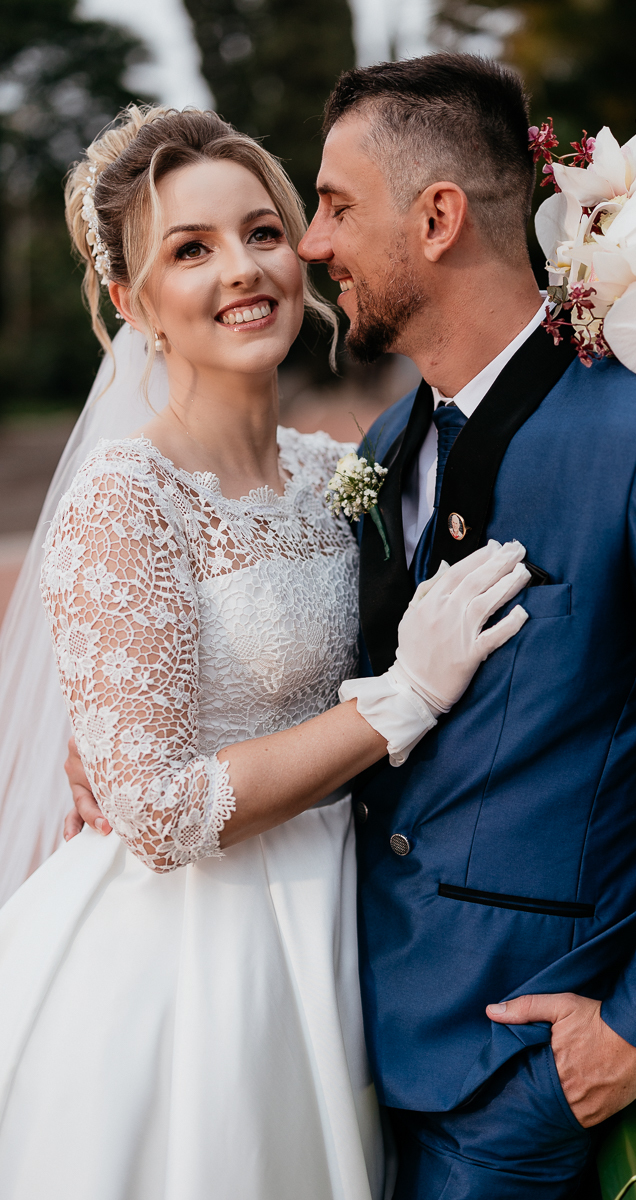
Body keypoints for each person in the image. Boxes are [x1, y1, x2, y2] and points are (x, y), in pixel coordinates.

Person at [66, 56, 636, 1198]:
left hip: (518, 1068)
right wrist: (131, 751)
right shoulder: (374, 455)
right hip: (325, 1023)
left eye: (331, 209)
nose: (310, 246)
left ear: (439, 218)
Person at [0, 103, 533, 1200]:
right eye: (189, 250)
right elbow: (155, 812)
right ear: (130, 302)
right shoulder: (124, 499)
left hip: (348, 918)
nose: (242, 269)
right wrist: (399, 699)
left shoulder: (340, 472)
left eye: (260, 232)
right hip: (197, 960)